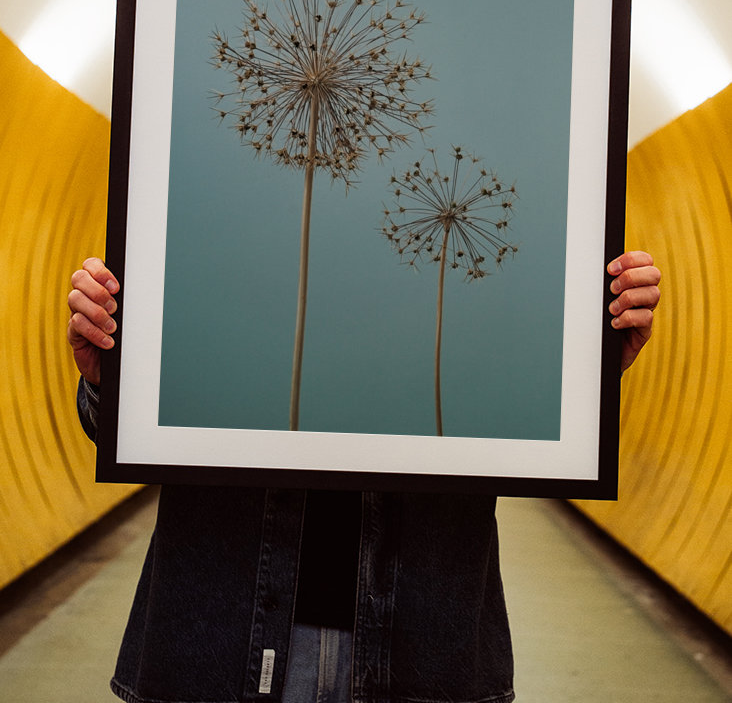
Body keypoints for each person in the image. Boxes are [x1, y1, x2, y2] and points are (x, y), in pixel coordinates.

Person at [68, 251, 661, 703]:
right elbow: (131, 427)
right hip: (219, 638)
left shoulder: (464, 295)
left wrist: (587, 370)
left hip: (423, 645)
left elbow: (519, 413)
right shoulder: (222, 256)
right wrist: (109, 379)